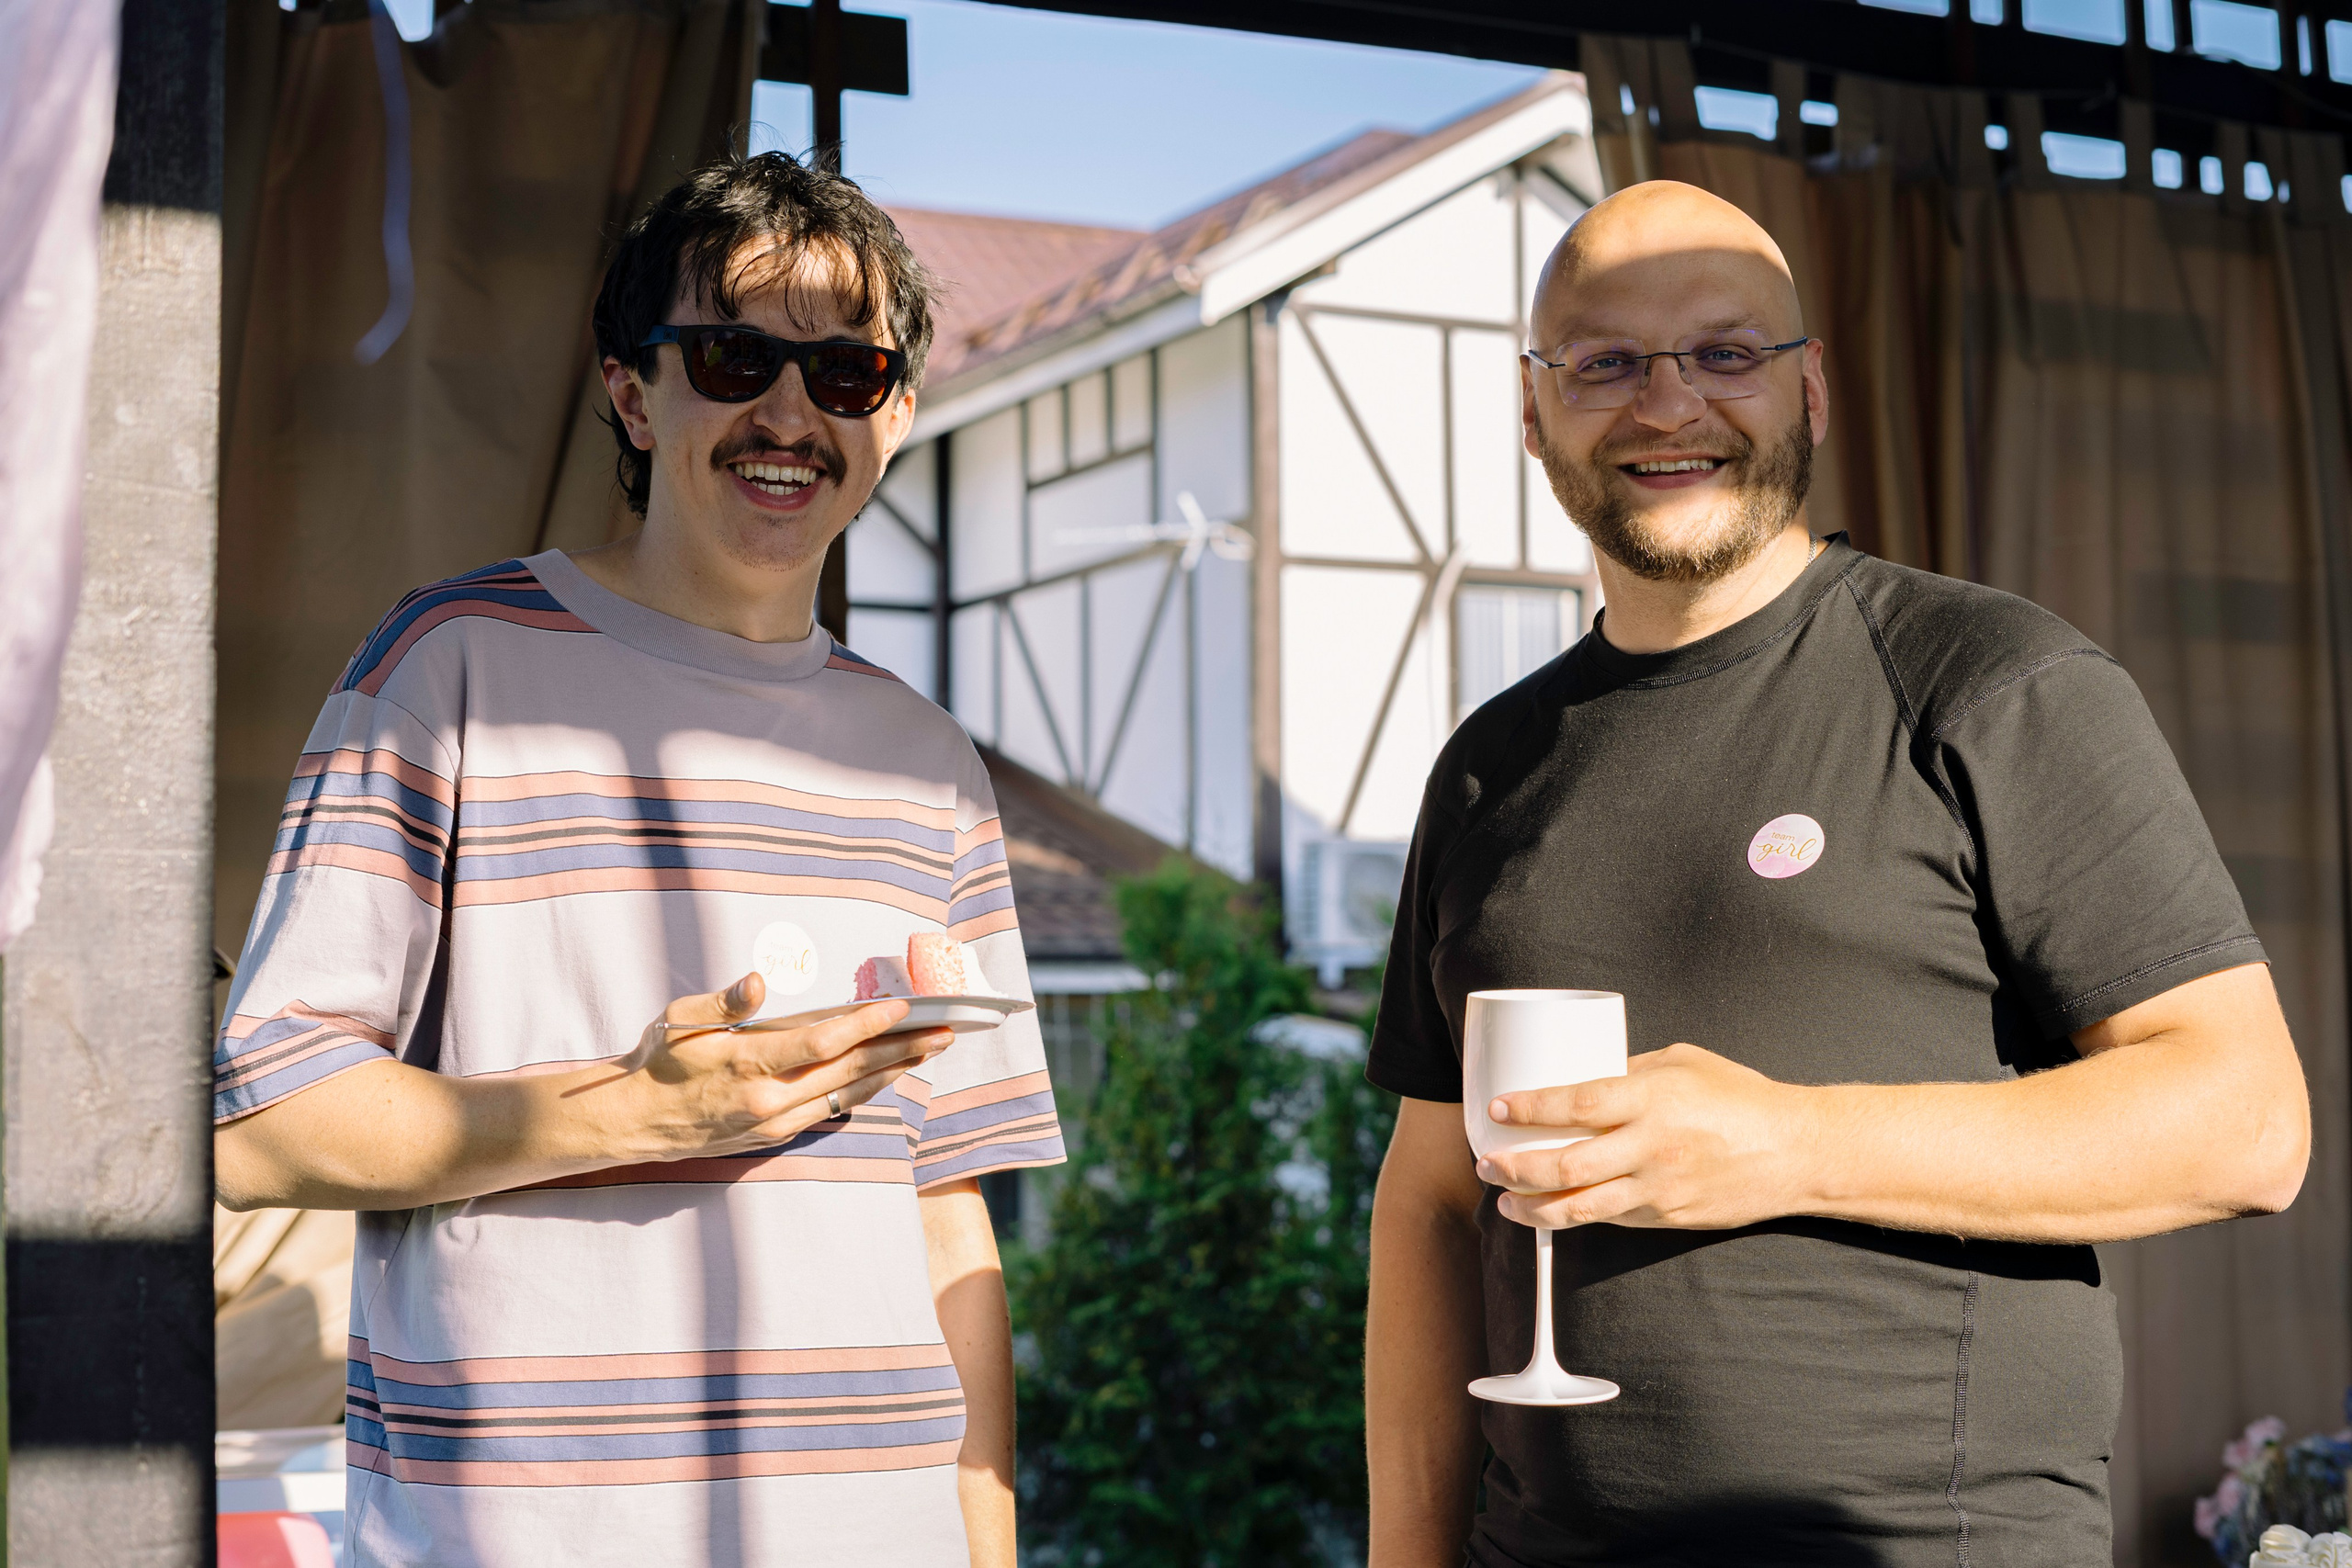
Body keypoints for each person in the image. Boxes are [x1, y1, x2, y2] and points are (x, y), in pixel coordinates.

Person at [1363, 180, 2312, 1566]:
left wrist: (1786, 1142)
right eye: (1605, 361)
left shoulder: (1988, 680)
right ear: (1532, 410)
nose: (1668, 405)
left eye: (1726, 354)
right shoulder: (1486, 769)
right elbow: (1431, 1202)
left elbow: (2245, 1124)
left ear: (1811, 391)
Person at [212, 152, 1062, 1568]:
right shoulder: (451, 664)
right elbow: (256, 1125)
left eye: (845, 375)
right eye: (734, 358)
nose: (789, 412)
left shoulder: (927, 761)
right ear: (633, 393)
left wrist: (987, 1542)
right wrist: (632, 1113)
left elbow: (947, 1204)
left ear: (896, 415)